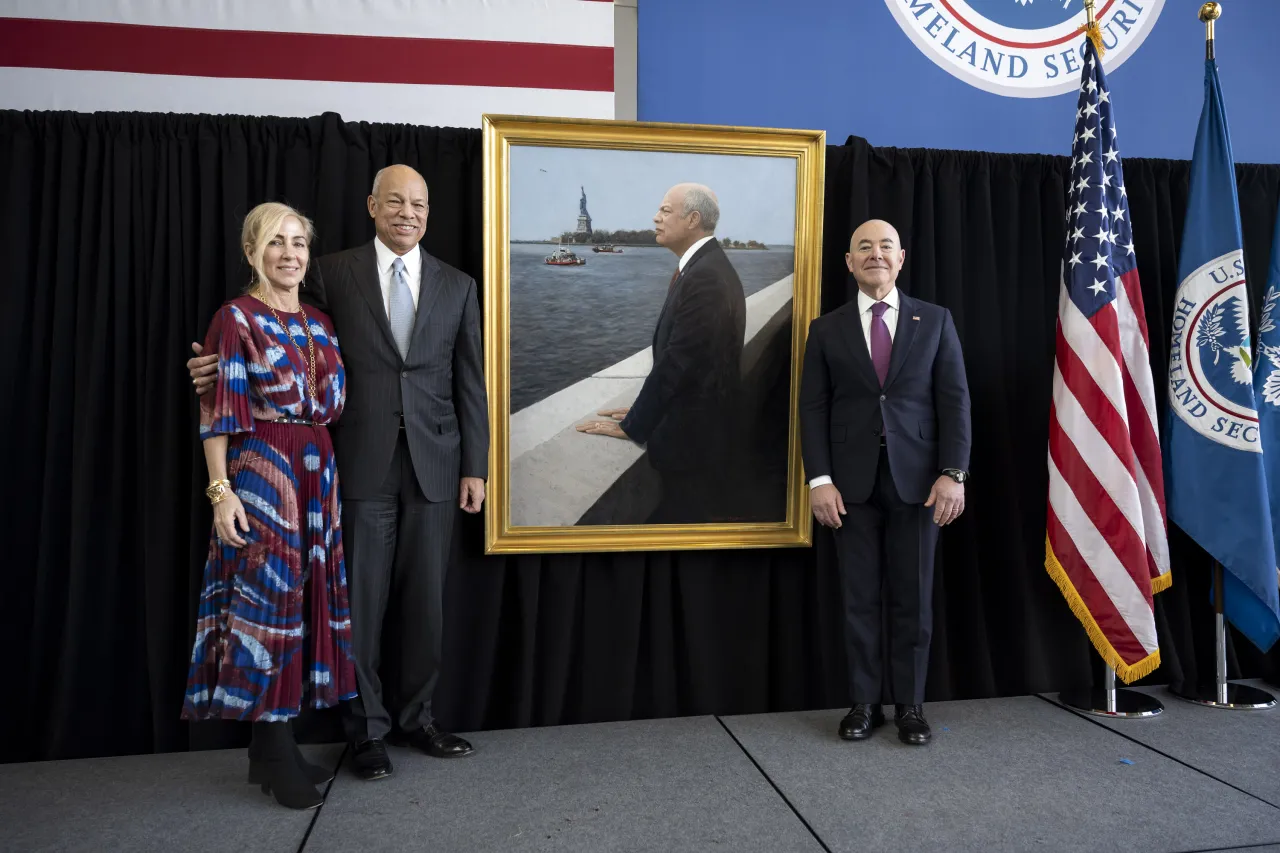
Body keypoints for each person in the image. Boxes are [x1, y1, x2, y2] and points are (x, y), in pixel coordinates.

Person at [189, 165, 488, 781]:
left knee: (426, 606)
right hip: (353, 467)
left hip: (437, 464)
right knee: (362, 605)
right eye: (396, 201)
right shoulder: (331, 271)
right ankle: (366, 732)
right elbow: (277, 335)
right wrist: (214, 373)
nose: (409, 213)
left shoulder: (458, 285)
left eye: (421, 204)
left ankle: (418, 717)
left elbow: (470, 381)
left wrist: (476, 467)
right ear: (373, 205)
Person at [183, 202, 357, 809]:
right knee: (269, 605)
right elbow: (217, 411)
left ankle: (273, 746)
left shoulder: (321, 321)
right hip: (263, 470)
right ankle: (276, 750)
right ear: (253, 249)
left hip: (318, 469)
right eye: (276, 242)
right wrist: (219, 491)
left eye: (299, 243)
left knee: (305, 601)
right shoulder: (236, 318)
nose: (290, 254)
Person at [799, 219, 971, 746]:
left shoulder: (935, 320)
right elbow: (813, 408)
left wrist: (953, 473)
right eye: (864, 247)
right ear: (848, 262)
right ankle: (864, 704)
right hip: (848, 488)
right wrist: (819, 479)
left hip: (920, 485)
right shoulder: (825, 329)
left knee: (913, 599)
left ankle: (911, 707)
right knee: (857, 600)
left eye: (886, 246)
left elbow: (954, 401)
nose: (876, 254)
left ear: (902, 258)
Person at [577, 183, 746, 523]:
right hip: (700, 439)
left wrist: (635, 423)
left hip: (692, 451)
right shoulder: (709, 266)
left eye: (666, 211)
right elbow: (698, 362)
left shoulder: (706, 277)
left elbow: (677, 363)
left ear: (693, 219)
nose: (656, 218)